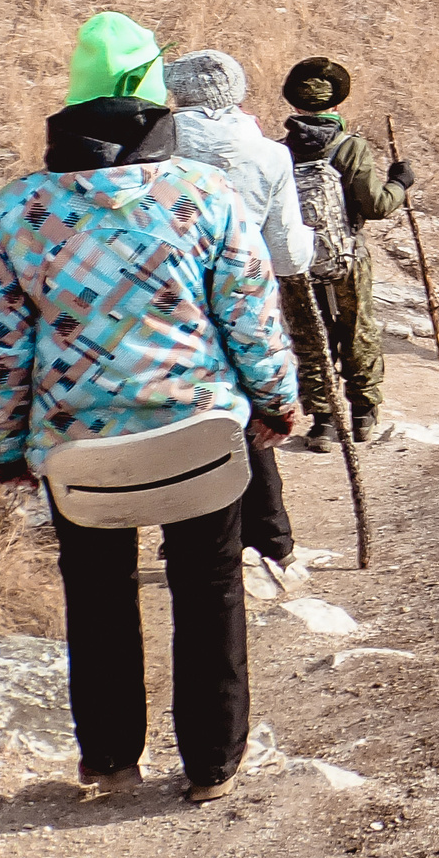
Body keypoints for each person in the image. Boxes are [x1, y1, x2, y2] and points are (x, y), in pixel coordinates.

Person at [0, 12, 299, 806]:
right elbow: (251, 315)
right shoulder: (202, 192)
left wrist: (9, 447)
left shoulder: (23, 210)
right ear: (155, 100)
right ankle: (213, 763)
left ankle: (111, 760)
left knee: (98, 592)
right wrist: (276, 405)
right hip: (201, 435)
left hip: (79, 449)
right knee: (210, 585)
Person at [163, 50, 315, 596]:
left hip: (174, 306)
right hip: (248, 296)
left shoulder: (159, 154)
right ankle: (273, 538)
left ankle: (186, 531)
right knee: (256, 414)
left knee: (189, 415)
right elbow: (289, 254)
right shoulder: (269, 156)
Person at [277, 57, 412, 450]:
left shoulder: (278, 150)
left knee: (308, 337)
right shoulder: (350, 148)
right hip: (346, 258)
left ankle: (322, 422)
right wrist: (400, 183)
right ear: (335, 104)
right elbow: (376, 206)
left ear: (296, 105)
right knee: (358, 331)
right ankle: (363, 415)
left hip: (296, 262)